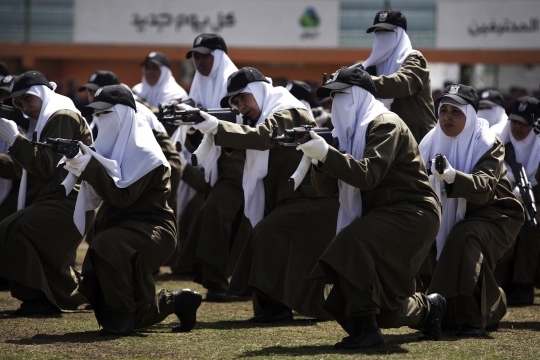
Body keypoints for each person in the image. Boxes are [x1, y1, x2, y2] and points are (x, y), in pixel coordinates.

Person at [298, 65, 443, 350]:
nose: (333, 103)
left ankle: (366, 330)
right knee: (385, 309)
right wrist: (318, 158)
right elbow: (326, 189)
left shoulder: (384, 123)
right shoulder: (350, 133)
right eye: (331, 98)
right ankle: (429, 308)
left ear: (357, 96)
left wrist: (328, 154)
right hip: (383, 215)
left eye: (339, 95)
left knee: (349, 244)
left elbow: (368, 175)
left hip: (412, 212)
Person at [192, 67, 339, 321]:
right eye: (235, 102)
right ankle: (274, 309)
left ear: (258, 91)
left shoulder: (289, 110)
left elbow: (262, 138)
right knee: (265, 235)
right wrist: (207, 130)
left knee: (266, 234)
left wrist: (218, 127)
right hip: (292, 200)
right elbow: (251, 151)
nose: (240, 107)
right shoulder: (265, 115)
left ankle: (276, 309)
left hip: (312, 199)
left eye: (243, 98)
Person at [64, 85, 201, 336]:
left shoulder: (146, 155)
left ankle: (125, 314)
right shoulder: (112, 151)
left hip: (154, 231)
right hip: (125, 231)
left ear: (124, 114)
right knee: (106, 253)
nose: (100, 119)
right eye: (98, 114)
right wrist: (79, 161)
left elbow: (122, 197)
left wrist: (89, 166)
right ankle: (177, 301)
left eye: (106, 113)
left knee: (107, 244)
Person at [419, 84, 524, 336]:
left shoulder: (488, 142)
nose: (447, 117)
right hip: (447, 213)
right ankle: (491, 306)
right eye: (443, 110)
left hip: (494, 213)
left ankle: (468, 318)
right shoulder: (429, 142)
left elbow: (486, 187)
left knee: (464, 237)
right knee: (427, 230)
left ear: (471, 115)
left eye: (456, 111)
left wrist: (453, 176)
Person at [0, 71, 94, 314]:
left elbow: (43, 166)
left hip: (69, 200)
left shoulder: (60, 114)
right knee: (43, 256)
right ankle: (58, 297)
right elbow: (27, 171)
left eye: (27, 98)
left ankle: (38, 299)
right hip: (57, 199)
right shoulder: (45, 120)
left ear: (42, 93)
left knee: (12, 229)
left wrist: (14, 139)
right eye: (18, 103)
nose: (24, 106)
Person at [177, 33, 247, 301]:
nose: (199, 61)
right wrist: (187, 119)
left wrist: (205, 121)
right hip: (214, 166)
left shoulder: (236, 83)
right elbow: (198, 139)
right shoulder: (200, 86)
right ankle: (221, 281)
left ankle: (217, 282)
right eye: (195, 55)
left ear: (219, 56)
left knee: (216, 214)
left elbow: (241, 121)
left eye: (205, 55)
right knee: (223, 219)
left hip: (239, 162)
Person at [78, 70, 182, 222]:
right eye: (89, 91)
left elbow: (163, 160)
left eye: (96, 90)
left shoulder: (133, 112)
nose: (91, 95)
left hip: (158, 166)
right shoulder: (101, 115)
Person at [492, 96, 540, 306]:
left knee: (531, 229)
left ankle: (524, 285)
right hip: (504, 197)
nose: (517, 127)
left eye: (523, 124)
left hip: (535, 203)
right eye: (514, 121)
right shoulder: (497, 138)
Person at [362, 9, 436, 143]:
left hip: (418, 141)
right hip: (384, 139)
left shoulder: (415, 60)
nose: (382, 36)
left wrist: (362, 80)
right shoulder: (369, 67)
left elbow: (400, 84)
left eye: (387, 32)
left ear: (400, 34)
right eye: (378, 32)